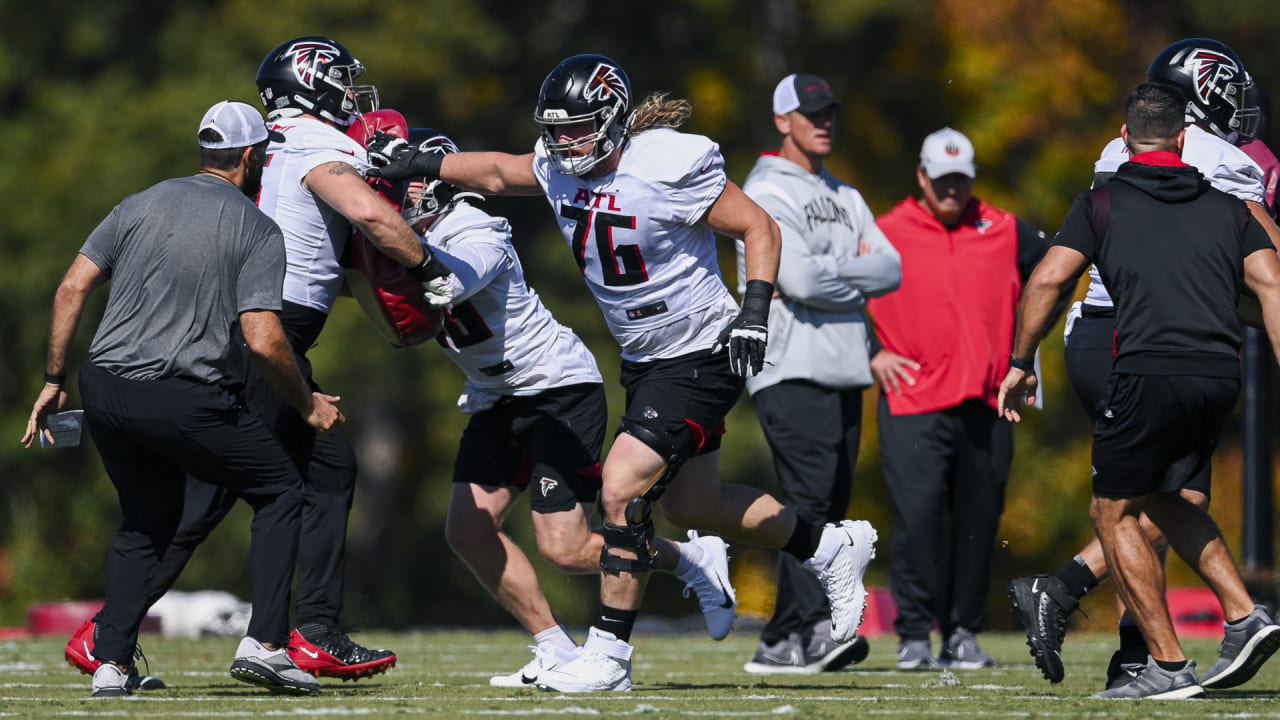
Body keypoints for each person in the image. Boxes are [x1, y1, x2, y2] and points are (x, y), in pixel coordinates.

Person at [367, 53, 878, 693]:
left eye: (579, 128)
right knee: (699, 504)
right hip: (645, 358)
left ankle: (609, 655)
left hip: (705, 344)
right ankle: (829, 546)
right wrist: (418, 162)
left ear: (611, 118)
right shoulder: (556, 167)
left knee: (620, 486)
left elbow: (758, 225)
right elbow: (498, 171)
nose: (565, 142)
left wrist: (754, 310)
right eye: (557, 130)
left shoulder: (662, 162)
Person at [61, 35, 456, 684]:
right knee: (206, 505)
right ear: (311, 84)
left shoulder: (273, 140)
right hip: (269, 338)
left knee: (329, 467)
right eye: (342, 80)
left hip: (265, 330)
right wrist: (429, 266)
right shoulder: (317, 145)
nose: (353, 93)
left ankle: (313, 630)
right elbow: (367, 215)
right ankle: (115, 635)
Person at [391, 127, 737, 687]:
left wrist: (379, 247)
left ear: (435, 186)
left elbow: (449, 284)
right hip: (495, 395)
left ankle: (690, 559)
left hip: (557, 388)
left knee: (568, 549)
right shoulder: (403, 241)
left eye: (403, 186)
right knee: (468, 530)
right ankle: (555, 647)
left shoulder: (477, 227)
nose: (393, 198)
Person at [22, 100, 338, 697]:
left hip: (106, 390)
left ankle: (112, 665)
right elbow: (264, 340)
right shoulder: (256, 226)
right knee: (279, 490)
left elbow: (71, 288)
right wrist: (307, 403)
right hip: (180, 395)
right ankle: (267, 644)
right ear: (251, 157)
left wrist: (53, 379)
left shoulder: (139, 203)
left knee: (146, 522)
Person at [1008, 37, 1280, 691]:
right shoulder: (1225, 169)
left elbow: (1055, 275)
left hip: (1126, 333)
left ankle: (1140, 643)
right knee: (1151, 499)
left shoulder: (1119, 155)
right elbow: (1261, 275)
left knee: (1153, 498)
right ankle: (1148, 639)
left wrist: (1020, 357)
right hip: (1153, 337)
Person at [866, 127, 1067, 670]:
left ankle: (963, 634)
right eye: (942, 180)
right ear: (922, 176)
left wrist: (1028, 348)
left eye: (961, 180)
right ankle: (913, 636)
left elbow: (1058, 271)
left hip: (987, 401)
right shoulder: (884, 231)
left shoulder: (1003, 227)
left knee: (979, 522)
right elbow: (833, 292)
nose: (951, 190)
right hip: (912, 401)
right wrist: (870, 351)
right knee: (918, 520)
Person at [734, 73, 901, 675]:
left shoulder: (847, 194)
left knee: (827, 503)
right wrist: (847, 269)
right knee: (809, 500)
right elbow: (798, 280)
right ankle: (809, 630)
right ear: (783, 121)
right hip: (790, 363)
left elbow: (891, 269)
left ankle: (781, 639)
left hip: (844, 363)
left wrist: (828, 271)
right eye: (811, 114)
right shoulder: (766, 190)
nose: (823, 121)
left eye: (829, 111)